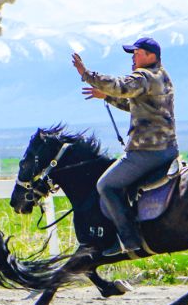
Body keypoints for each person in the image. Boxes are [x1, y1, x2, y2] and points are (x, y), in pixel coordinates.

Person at [71, 37, 178, 258]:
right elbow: (135, 103)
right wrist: (107, 96)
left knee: (106, 185)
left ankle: (128, 239)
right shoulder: (163, 76)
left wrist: (86, 74)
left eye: (136, 53)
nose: (133, 57)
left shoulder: (144, 76)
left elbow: (121, 86)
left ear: (151, 56)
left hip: (146, 152)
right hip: (168, 149)